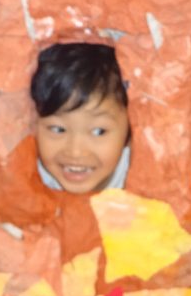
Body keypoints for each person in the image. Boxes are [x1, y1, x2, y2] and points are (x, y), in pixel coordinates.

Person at [30, 42, 131, 194]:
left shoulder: (139, 173)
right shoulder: (25, 172)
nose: (75, 152)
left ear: (130, 131)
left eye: (99, 131)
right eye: (58, 129)